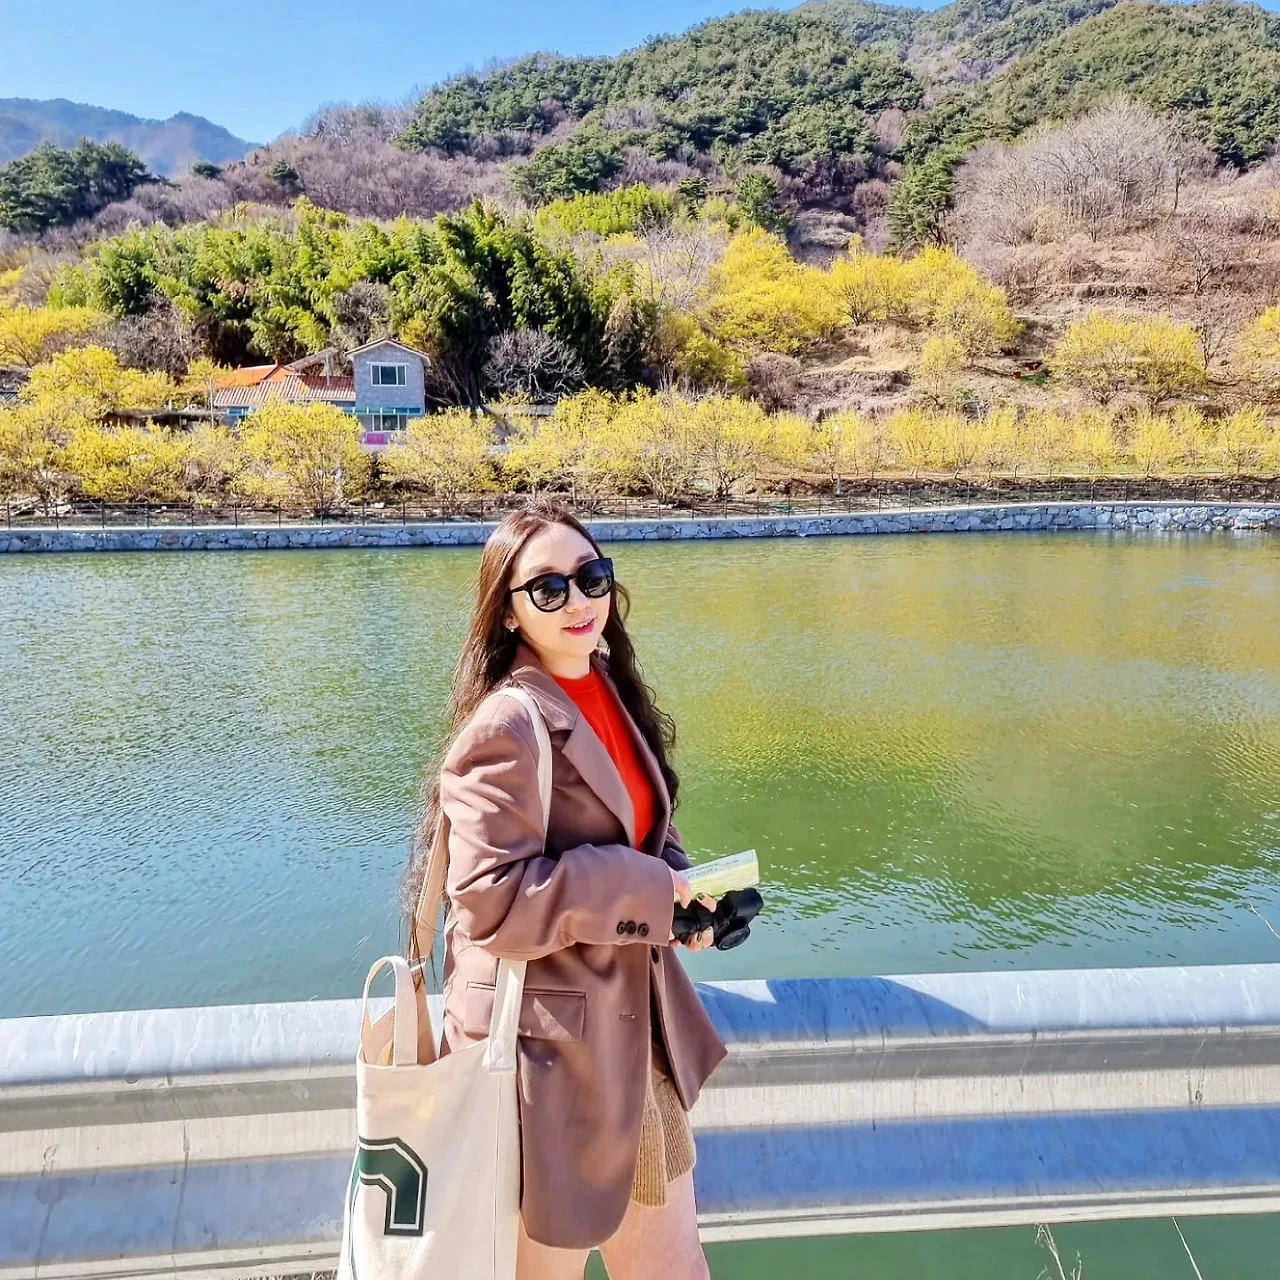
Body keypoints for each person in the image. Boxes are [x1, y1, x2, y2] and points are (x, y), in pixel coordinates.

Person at [405, 500, 728, 1280]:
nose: (577, 601)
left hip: (636, 1049)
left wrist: (683, 898)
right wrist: (644, 889)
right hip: (542, 1070)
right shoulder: (505, 726)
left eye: (592, 577)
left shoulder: (606, 687)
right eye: (547, 589)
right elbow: (491, 901)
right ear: (508, 613)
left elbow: (640, 829)